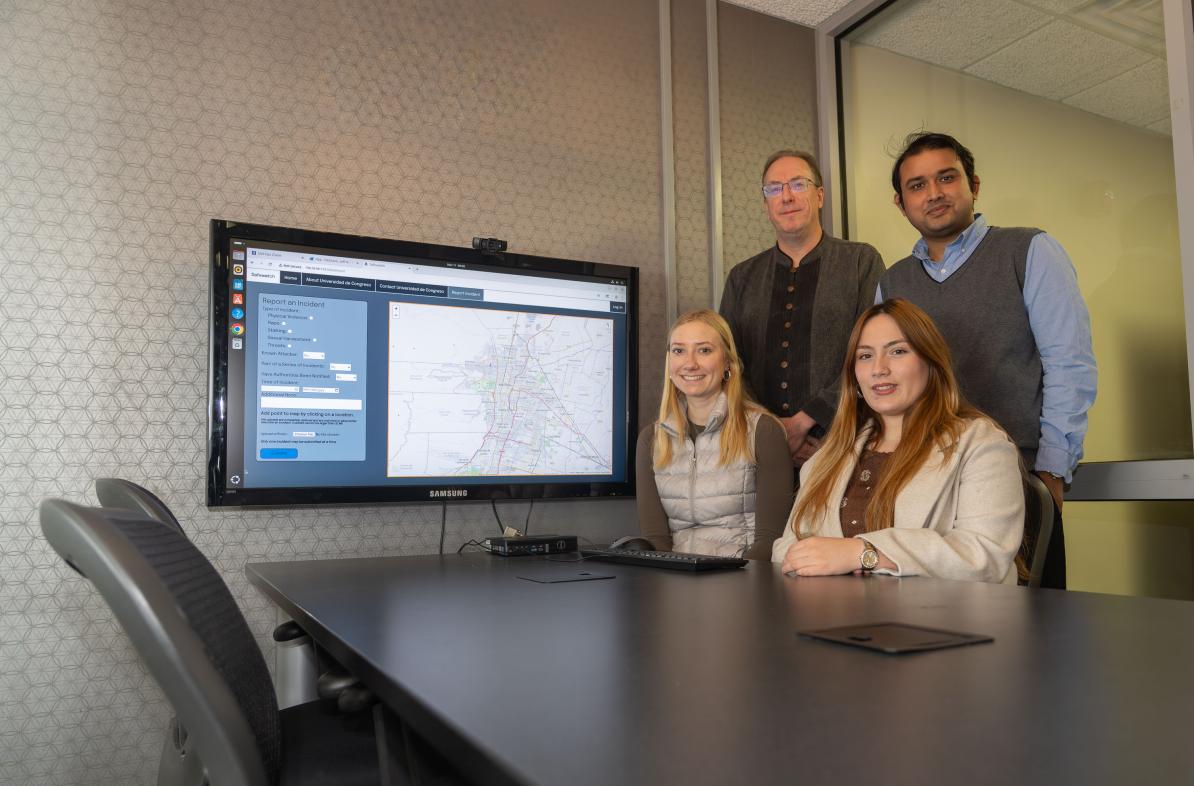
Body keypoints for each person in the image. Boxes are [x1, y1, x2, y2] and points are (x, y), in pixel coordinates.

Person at [878, 131, 1096, 589]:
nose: (933, 193)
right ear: (901, 204)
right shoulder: (892, 282)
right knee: (932, 632)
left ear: (974, 185)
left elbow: (1069, 365)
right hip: (919, 485)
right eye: (917, 185)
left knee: (1031, 635)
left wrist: (1051, 473)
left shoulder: (1029, 251)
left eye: (946, 177)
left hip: (1015, 477)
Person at [772, 299, 1024, 584]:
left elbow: (985, 556)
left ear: (931, 362)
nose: (879, 368)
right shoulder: (827, 456)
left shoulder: (982, 445)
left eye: (897, 351)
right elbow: (785, 549)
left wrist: (864, 552)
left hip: (942, 621)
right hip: (833, 619)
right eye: (865, 356)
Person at [720, 149, 884, 467]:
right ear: (766, 204)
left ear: (819, 195)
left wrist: (805, 421)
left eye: (798, 184)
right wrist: (771, 428)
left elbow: (874, 355)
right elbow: (730, 364)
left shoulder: (861, 262)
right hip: (759, 450)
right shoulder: (742, 277)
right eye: (774, 188)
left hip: (844, 445)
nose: (786, 197)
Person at [637, 310, 794, 559]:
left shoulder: (764, 431)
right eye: (679, 351)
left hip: (745, 582)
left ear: (728, 363)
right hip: (676, 582)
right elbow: (655, 540)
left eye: (704, 350)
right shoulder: (651, 439)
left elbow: (770, 541)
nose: (690, 363)